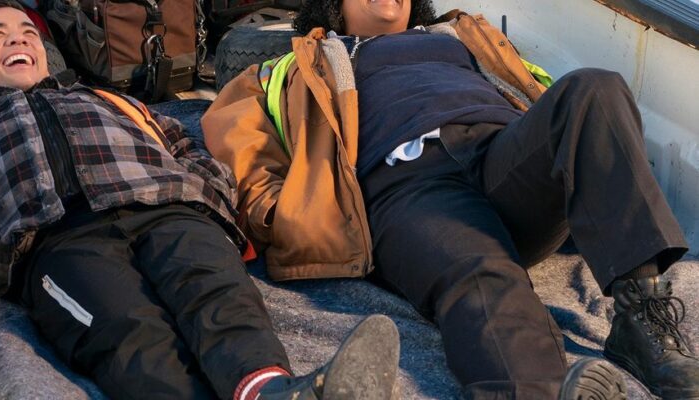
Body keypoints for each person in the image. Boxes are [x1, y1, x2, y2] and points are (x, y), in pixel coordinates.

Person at [202, 0, 698, 398]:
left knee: (595, 87)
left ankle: (642, 322)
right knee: (479, 272)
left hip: (502, 156)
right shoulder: (294, 63)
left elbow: (543, 97)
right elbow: (240, 145)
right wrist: (286, 216)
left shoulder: (463, 36)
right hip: (407, 184)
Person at [0, 1, 404, 399]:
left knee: (217, 294)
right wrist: (1, 263)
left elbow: (183, 142)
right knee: (128, 332)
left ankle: (275, 392)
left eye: (27, 32)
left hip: (167, 204)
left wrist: (206, 200)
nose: (18, 37)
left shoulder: (108, 98)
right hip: (59, 237)